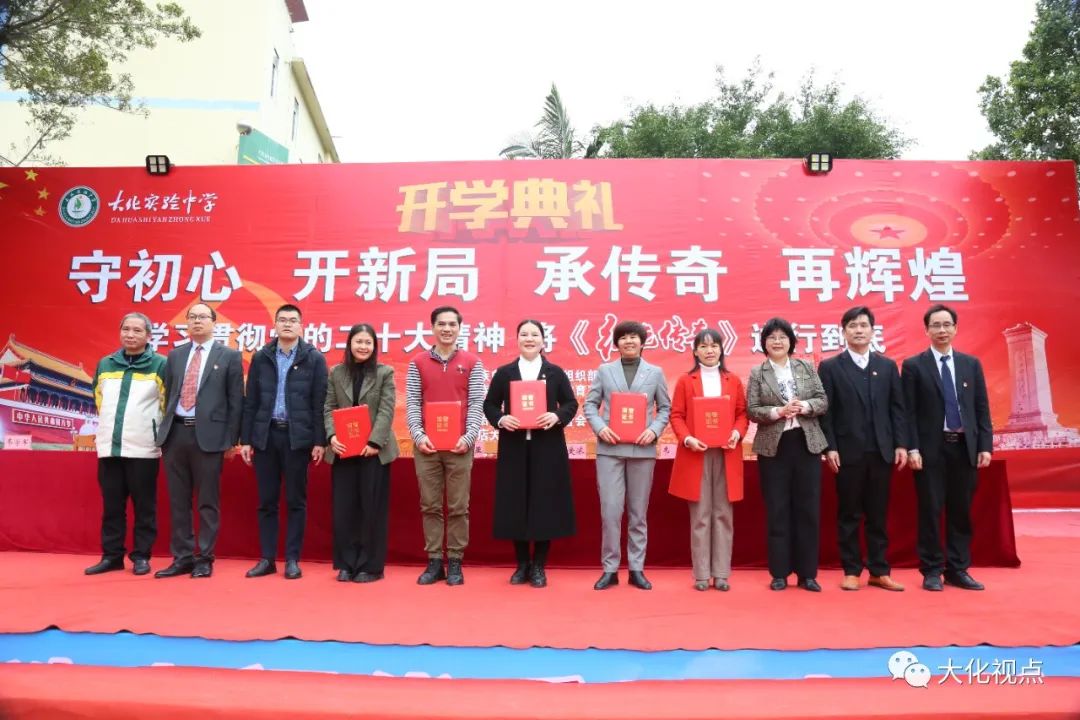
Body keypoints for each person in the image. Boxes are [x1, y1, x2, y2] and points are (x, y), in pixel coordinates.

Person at [902, 304, 992, 592]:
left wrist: (985, 445)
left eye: (946, 325)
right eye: (936, 325)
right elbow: (908, 412)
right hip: (931, 450)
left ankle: (957, 569)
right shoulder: (914, 366)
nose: (942, 330)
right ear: (926, 330)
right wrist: (912, 448)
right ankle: (931, 570)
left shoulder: (970, 364)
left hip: (964, 448)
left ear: (955, 328)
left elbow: (981, 408)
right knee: (930, 510)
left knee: (960, 510)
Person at [483, 320, 578, 588]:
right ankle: (522, 563)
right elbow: (489, 404)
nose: (529, 338)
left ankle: (539, 565)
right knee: (516, 503)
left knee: (544, 503)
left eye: (534, 334)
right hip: (514, 447)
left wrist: (557, 415)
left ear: (543, 340)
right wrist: (501, 419)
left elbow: (570, 403)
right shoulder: (505, 373)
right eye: (524, 334)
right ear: (517, 339)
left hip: (547, 446)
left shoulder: (555, 373)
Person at [819, 306, 908, 592]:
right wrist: (830, 447)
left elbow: (897, 409)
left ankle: (879, 571)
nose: (859, 330)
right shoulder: (831, 367)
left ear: (872, 330)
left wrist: (901, 443)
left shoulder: (887, 366)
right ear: (843, 332)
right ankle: (851, 570)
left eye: (863, 325)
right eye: (853, 326)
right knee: (849, 514)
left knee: (878, 515)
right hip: (847, 453)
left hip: (881, 451)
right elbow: (827, 413)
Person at [154, 302, 244, 579]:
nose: (196, 321)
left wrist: (233, 440)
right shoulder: (175, 355)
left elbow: (235, 401)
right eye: (192, 317)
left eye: (203, 317)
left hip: (210, 437)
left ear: (214, 323)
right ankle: (182, 557)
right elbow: (170, 395)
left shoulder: (229, 356)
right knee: (178, 501)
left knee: (207, 501)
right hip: (176, 434)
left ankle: (204, 558)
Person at [239, 304, 328, 580]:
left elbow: (319, 403)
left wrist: (319, 440)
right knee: (266, 501)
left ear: (301, 326)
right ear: (275, 325)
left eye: (293, 320)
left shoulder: (314, 358)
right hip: (266, 437)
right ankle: (267, 559)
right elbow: (251, 401)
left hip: (296, 438)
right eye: (282, 320)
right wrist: (246, 439)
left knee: (295, 501)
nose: (287, 324)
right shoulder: (261, 357)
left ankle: (292, 559)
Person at [583, 320, 671, 591]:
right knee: (610, 512)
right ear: (616, 343)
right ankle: (610, 569)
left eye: (634, 337)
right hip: (609, 450)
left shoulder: (655, 372)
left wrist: (653, 431)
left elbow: (665, 408)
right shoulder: (605, 370)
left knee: (638, 513)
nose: (629, 341)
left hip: (642, 451)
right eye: (623, 338)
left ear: (642, 342)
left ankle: (636, 569)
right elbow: (590, 405)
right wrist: (601, 427)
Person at [746, 317, 828, 592]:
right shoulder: (758, 373)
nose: (777, 341)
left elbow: (822, 400)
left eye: (782, 337)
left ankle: (807, 574)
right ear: (764, 343)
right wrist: (777, 412)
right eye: (772, 337)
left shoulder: (805, 367)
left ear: (791, 341)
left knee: (808, 509)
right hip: (774, 448)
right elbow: (752, 410)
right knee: (777, 508)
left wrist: (804, 406)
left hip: (806, 444)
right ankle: (779, 572)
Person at [406, 306, 485, 586]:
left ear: (460, 328)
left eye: (452, 324)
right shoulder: (417, 362)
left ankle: (455, 561)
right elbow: (413, 402)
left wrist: (469, 437)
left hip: (459, 447)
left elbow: (476, 403)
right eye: (442, 324)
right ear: (432, 327)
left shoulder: (472, 362)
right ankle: (434, 562)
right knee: (430, 505)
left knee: (458, 506)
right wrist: (418, 435)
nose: (447, 329)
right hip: (426, 447)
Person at [84, 312, 167, 577]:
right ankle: (112, 556)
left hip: (143, 447)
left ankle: (141, 556)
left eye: (137, 331)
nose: (130, 335)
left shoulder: (160, 364)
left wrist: (152, 431)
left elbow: (166, 405)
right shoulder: (105, 364)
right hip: (110, 447)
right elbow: (99, 399)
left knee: (144, 507)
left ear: (149, 336)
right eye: (126, 329)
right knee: (112, 507)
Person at [667, 328, 748, 591]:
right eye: (703, 346)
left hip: (726, 452)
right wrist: (687, 438)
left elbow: (742, 414)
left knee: (723, 513)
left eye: (714, 345)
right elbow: (676, 415)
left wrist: (736, 433)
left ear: (722, 349)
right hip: (696, 453)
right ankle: (701, 574)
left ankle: (721, 573)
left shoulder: (733, 380)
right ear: (695, 351)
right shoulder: (685, 381)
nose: (709, 350)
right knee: (700, 515)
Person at [325, 323, 399, 583]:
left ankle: (371, 566)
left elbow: (387, 410)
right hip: (344, 450)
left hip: (373, 452)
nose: (363, 346)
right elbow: (328, 407)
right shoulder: (336, 373)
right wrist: (331, 437)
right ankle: (346, 564)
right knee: (344, 509)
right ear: (350, 344)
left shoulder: (384, 372)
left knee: (371, 509)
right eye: (359, 341)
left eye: (368, 342)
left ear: (374, 346)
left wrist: (375, 441)